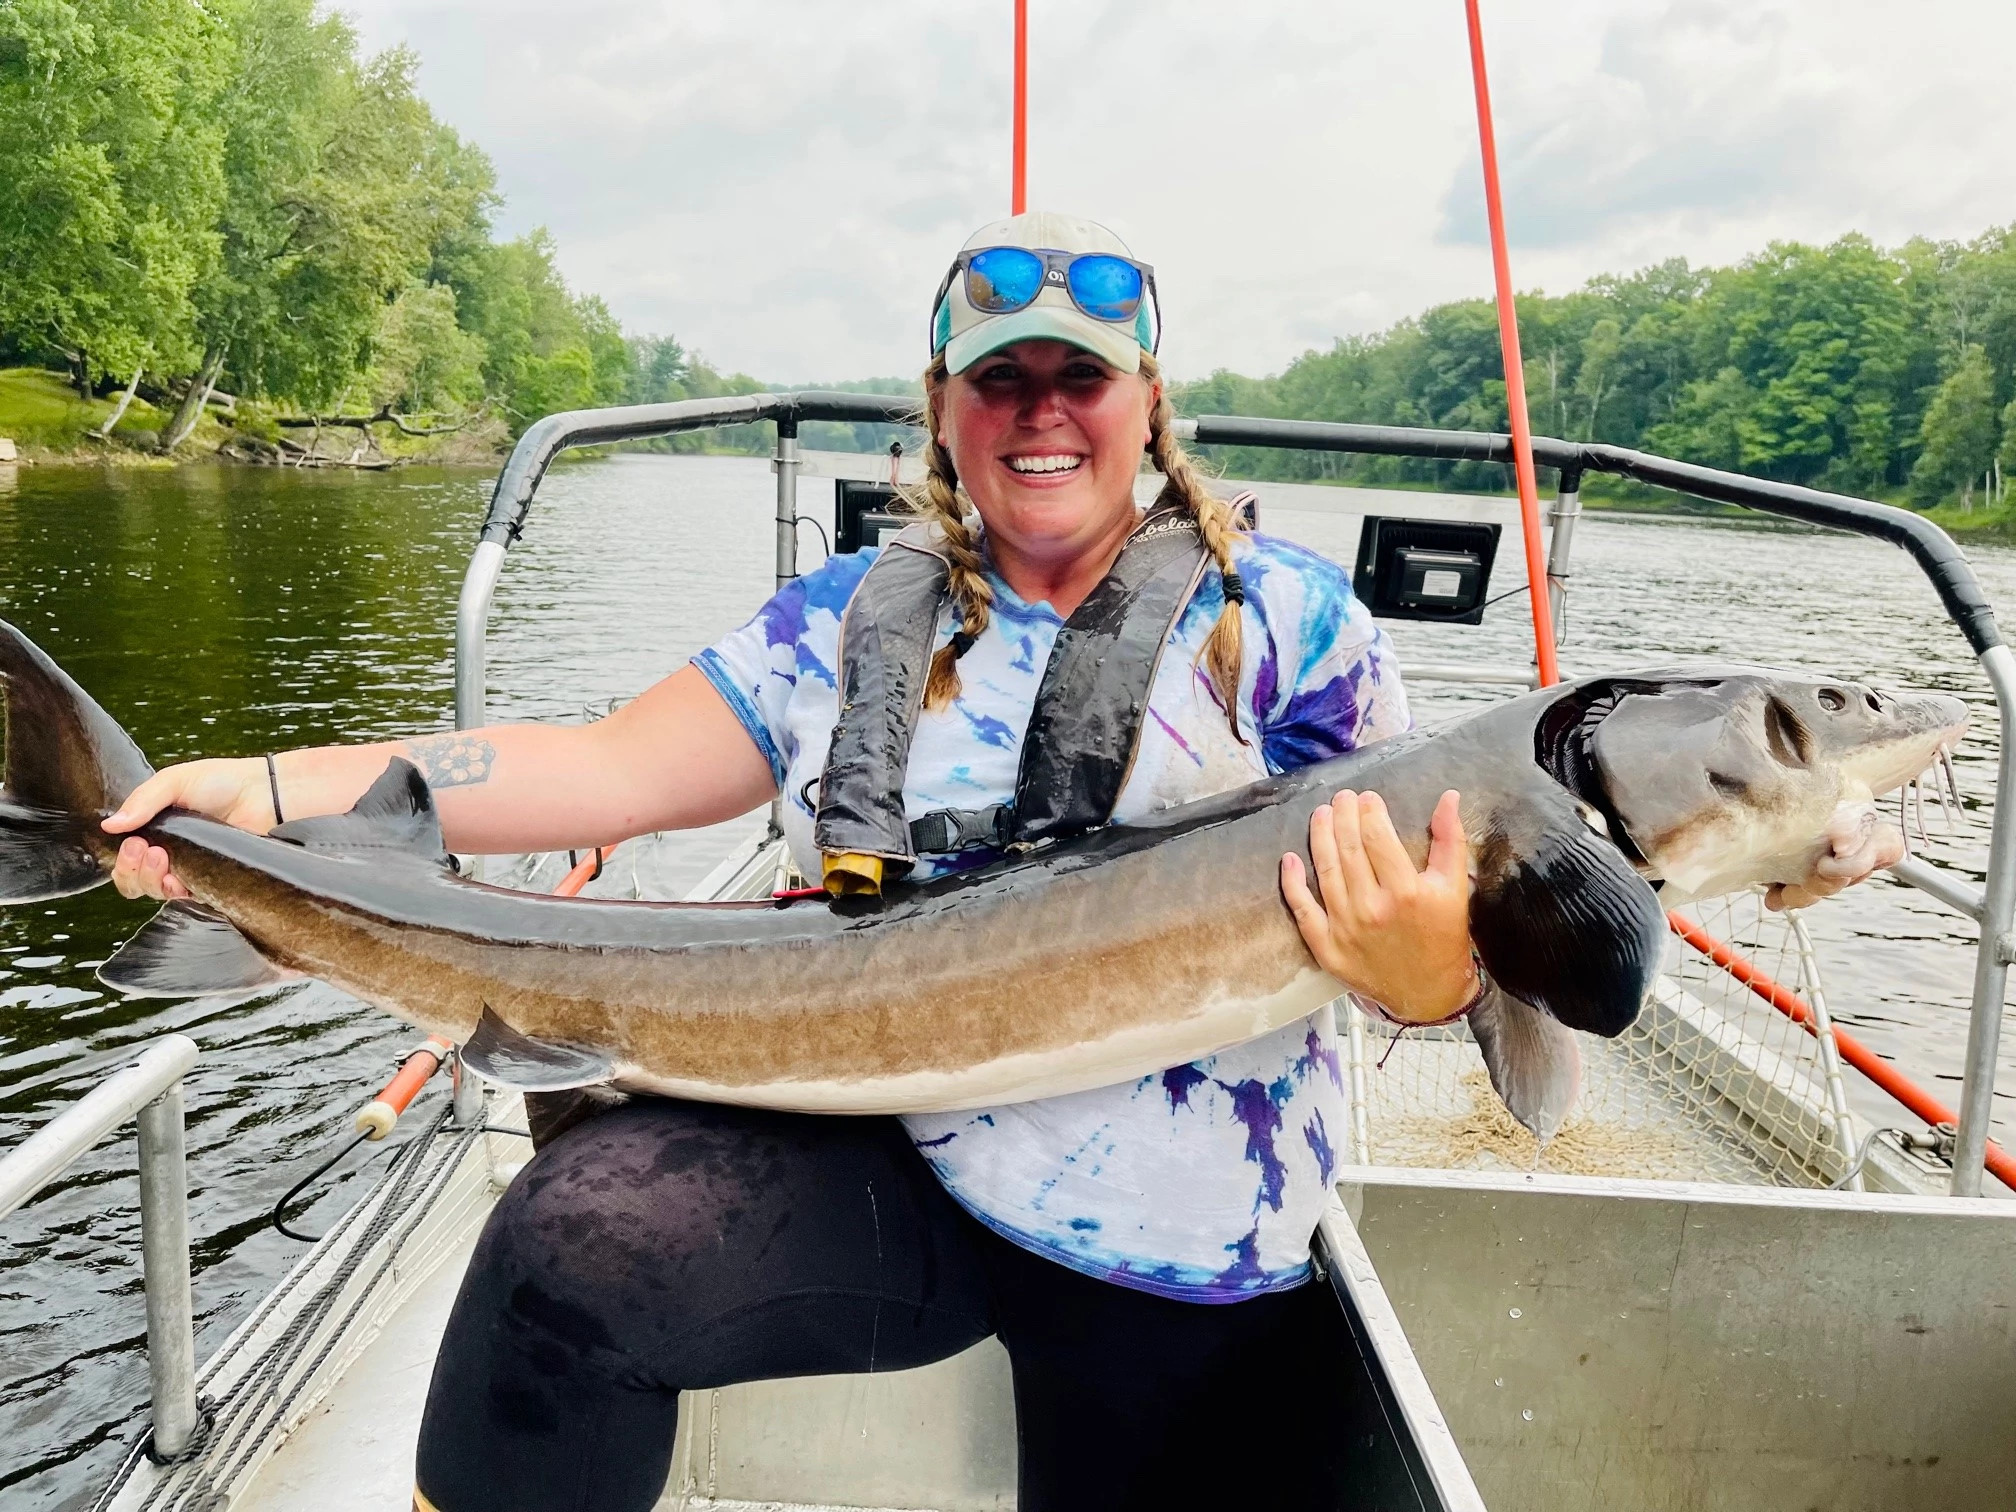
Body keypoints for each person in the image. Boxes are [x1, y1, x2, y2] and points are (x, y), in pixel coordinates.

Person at [102, 212, 1903, 1512]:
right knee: (563, 1251)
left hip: (1192, 1251)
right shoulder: (849, 621)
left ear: (1149, 406)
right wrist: (259, 794)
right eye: (1002, 382)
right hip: (915, 1166)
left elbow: (1488, 955)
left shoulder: (1295, 632)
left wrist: (1439, 979)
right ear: (947, 413)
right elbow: (593, 768)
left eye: (1082, 380)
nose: (1044, 412)